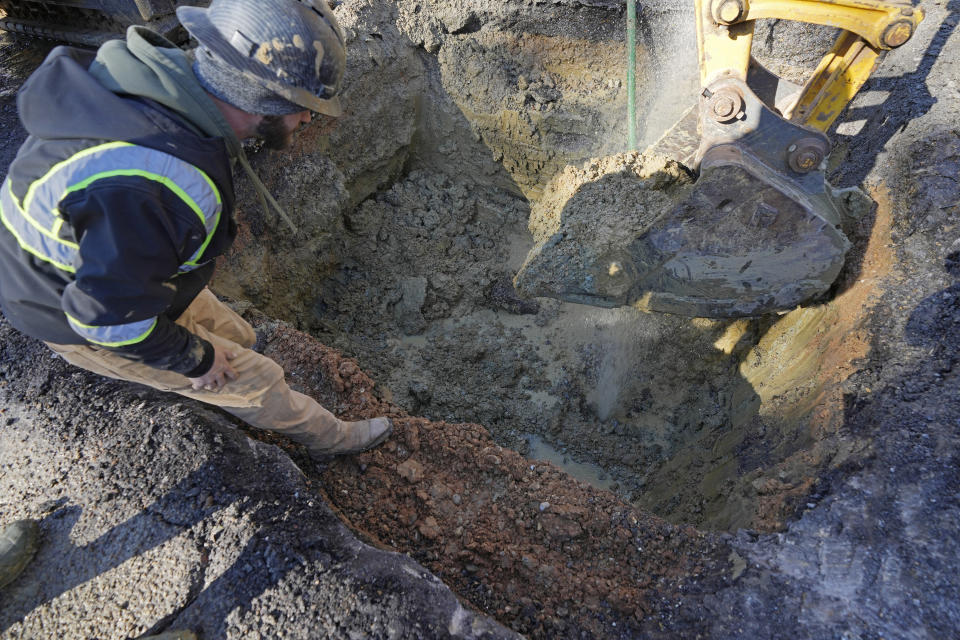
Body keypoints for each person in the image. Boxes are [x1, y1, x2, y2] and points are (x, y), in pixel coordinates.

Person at [0, 0, 392, 459]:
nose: (309, 119)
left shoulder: (167, 91)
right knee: (255, 381)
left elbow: (127, 255)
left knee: (237, 334)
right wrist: (194, 359)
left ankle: (234, 361)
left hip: (113, 270)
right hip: (74, 310)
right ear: (260, 96)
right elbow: (105, 317)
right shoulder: (156, 185)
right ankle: (329, 440)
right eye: (303, 106)